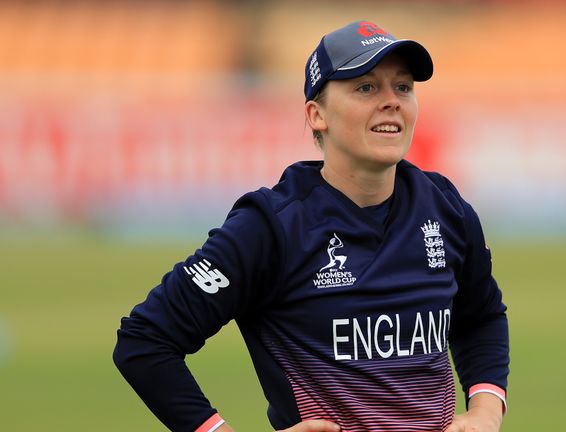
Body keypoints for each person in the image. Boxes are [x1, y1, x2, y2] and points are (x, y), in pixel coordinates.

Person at [113, 20, 509, 432]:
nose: (392, 101)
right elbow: (145, 340)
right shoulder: (271, 227)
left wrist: (484, 411)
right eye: (366, 87)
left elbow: (481, 316)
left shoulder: (446, 208)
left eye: (403, 87)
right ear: (316, 115)